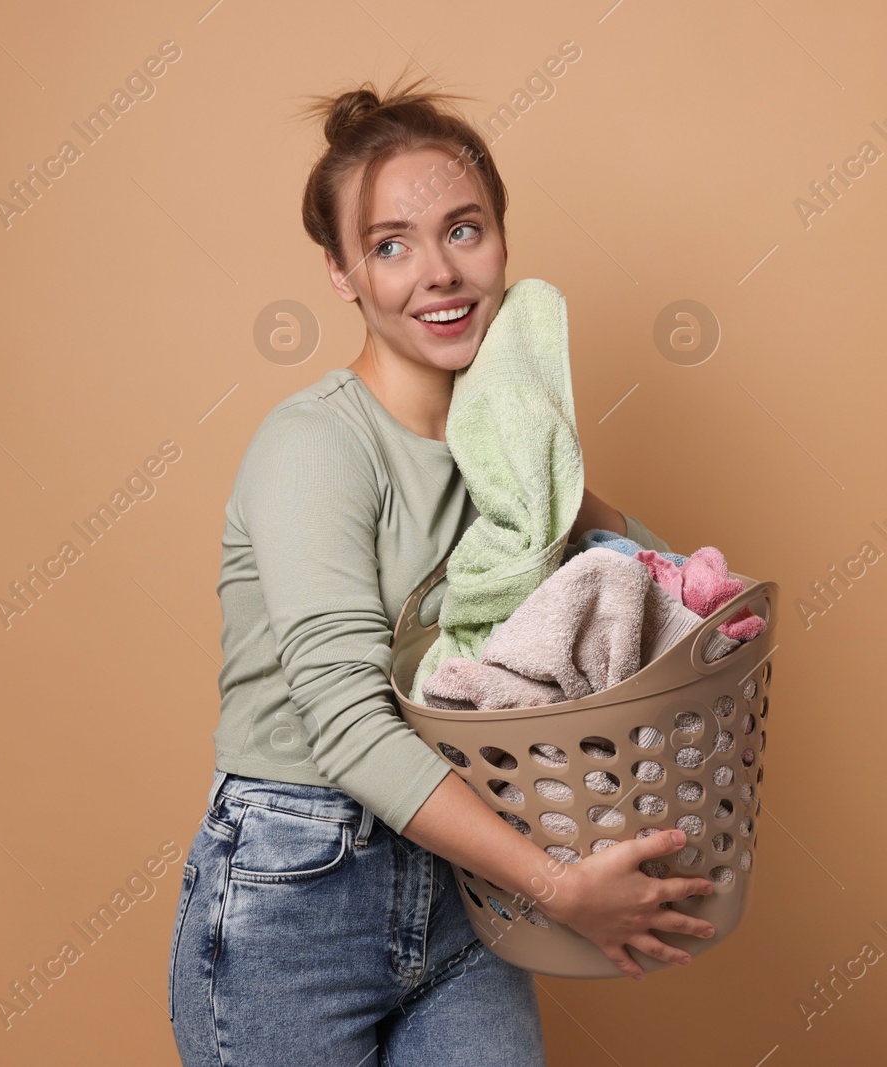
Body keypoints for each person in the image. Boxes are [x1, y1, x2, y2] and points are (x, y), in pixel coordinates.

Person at [168, 72, 717, 1066]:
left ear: (502, 239)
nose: (438, 272)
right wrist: (556, 887)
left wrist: (689, 594)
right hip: (298, 888)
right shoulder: (316, 448)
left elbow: (632, 576)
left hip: (462, 868)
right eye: (390, 244)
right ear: (340, 271)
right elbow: (344, 720)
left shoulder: (502, 448)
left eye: (464, 230)